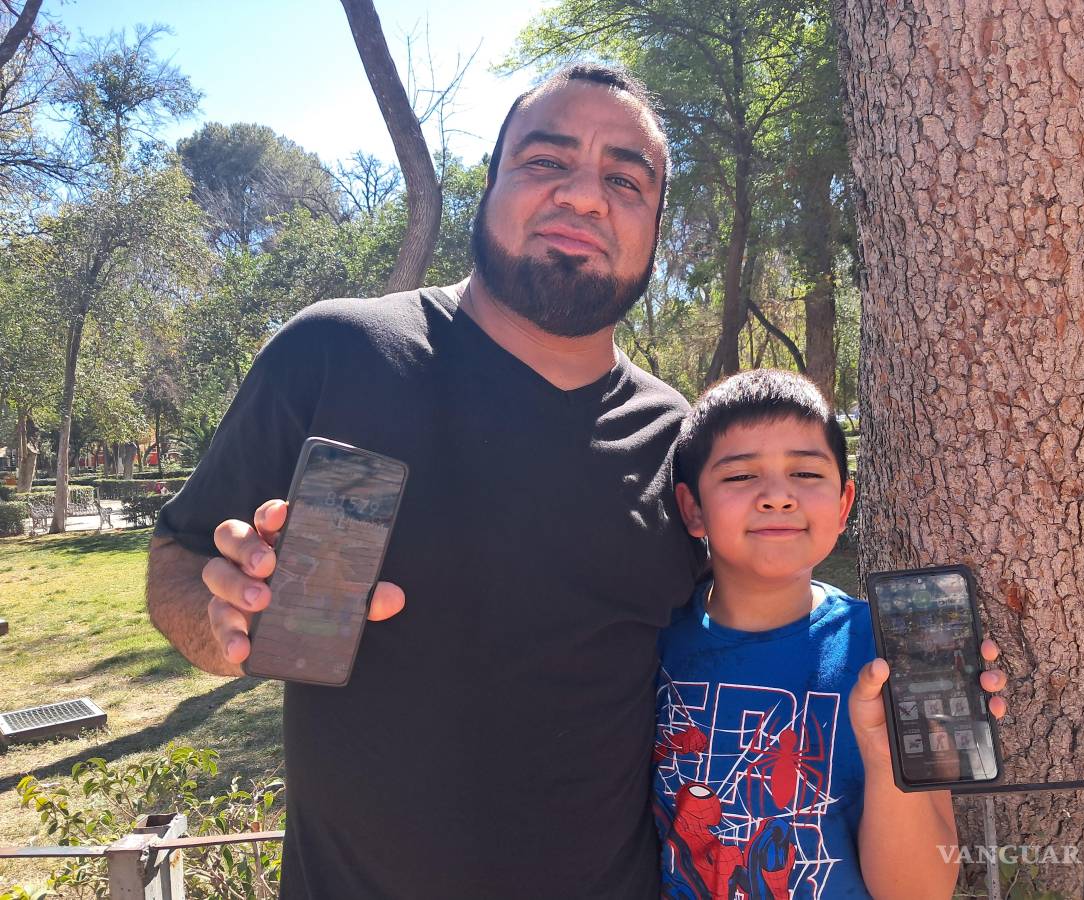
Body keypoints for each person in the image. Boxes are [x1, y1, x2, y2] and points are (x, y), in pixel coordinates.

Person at [145, 65, 703, 898]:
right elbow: (179, 555)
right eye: (547, 162)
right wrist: (222, 618)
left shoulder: (677, 440)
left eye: (625, 180)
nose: (585, 198)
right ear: (490, 185)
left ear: (655, 227)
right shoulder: (336, 353)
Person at [654, 369, 1008, 899]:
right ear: (692, 509)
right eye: (739, 476)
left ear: (843, 506)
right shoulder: (648, 644)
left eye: (806, 473)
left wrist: (887, 758)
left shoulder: (889, 652)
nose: (777, 496)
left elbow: (917, 892)